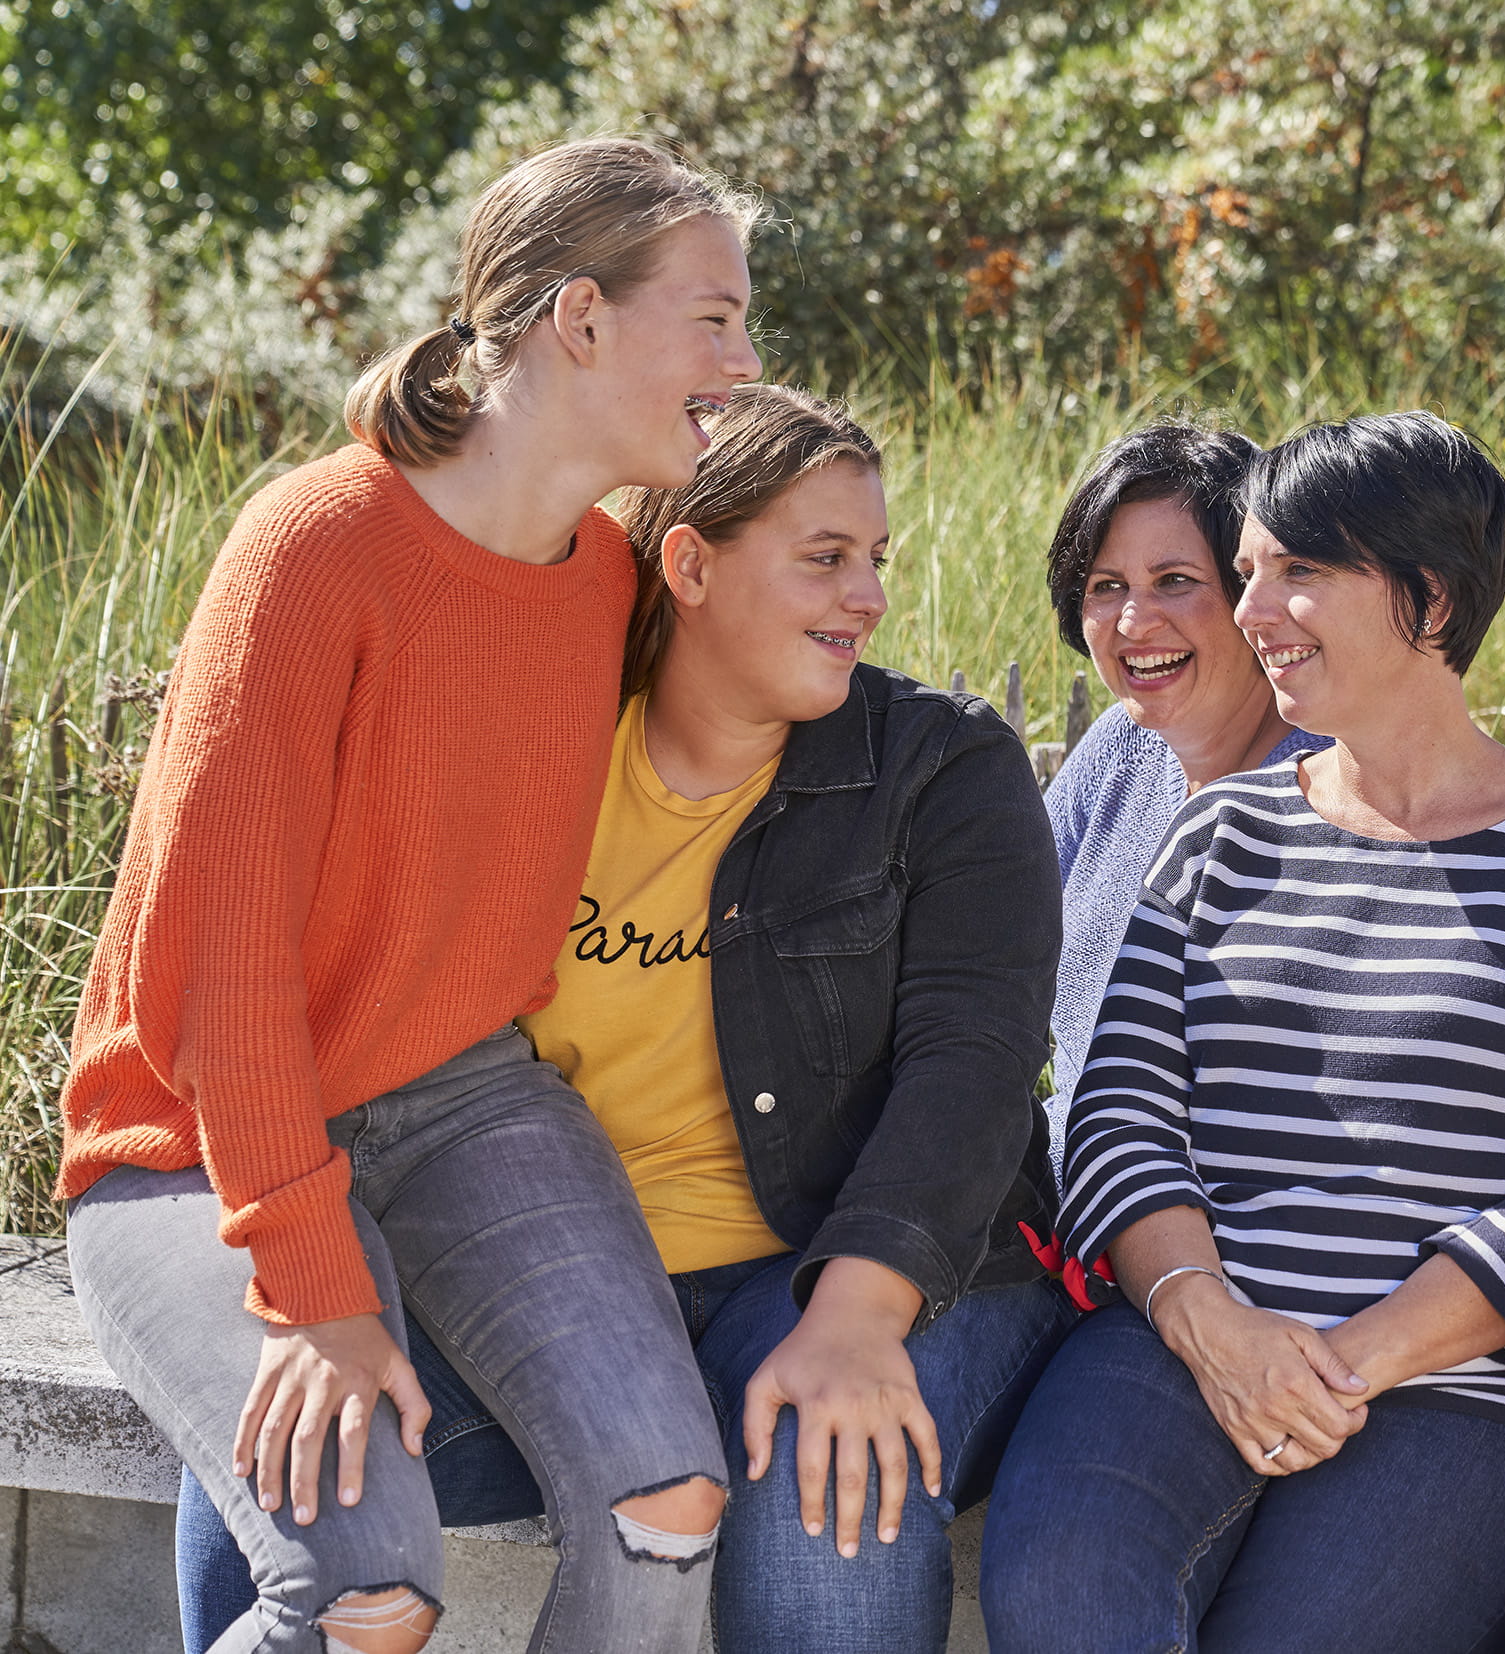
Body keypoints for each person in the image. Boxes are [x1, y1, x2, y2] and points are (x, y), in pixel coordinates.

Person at [174, 385, 1078, 1653]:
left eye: (876, 559)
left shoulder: (940, 768)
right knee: (302, 1448)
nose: (867, 596)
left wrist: (855, 1317)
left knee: (830, 1480)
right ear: (690, 562)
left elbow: (973, 1067)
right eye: (824, 558)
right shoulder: (537, 740)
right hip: (571, 1287)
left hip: (866, 1266)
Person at [63, 138, 763, 1653]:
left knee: (668, 1502)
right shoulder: (317, 545)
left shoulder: (605, 577)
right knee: (366, 1594)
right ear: (579, 318)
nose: (743, 358)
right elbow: (220, 973)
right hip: (190, 1134)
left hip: (464, 1099)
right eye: (713, 316)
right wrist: (314, 1286)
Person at [982, 412, 1505, 1654]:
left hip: (1471, 1391)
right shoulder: (1218, 837)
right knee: (1060, 1598)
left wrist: (1352, 1358)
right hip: (1184, 1343)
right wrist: (1212, 1322)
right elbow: (1117, 1112)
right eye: (1251, 569)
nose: (1253, 608)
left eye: (1296, 572)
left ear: (1427, 596)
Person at [1040, 420, 1328, 1177]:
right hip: (1062, 1212)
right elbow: (991, 958)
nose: (1135, 623)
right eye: (1106, 588)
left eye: (1175, 581)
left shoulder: (1338, 784)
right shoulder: (1115, 752)